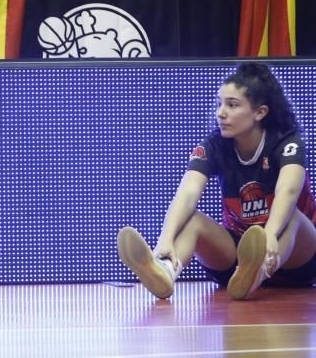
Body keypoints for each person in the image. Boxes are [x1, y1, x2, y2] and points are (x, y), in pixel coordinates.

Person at [118, 62, 316, 300]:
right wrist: (165, 239)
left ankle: (257, 273)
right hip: (237, 262)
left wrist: (270, 235)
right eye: (220, 103)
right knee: (193, 220)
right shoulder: (214, 146)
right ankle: (164, 269)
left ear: (260, 112)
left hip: (296, 260)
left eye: (232, 105)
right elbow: (187, 194)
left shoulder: (287, 142)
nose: (220, 112)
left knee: (292, 217)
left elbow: (288, 190)